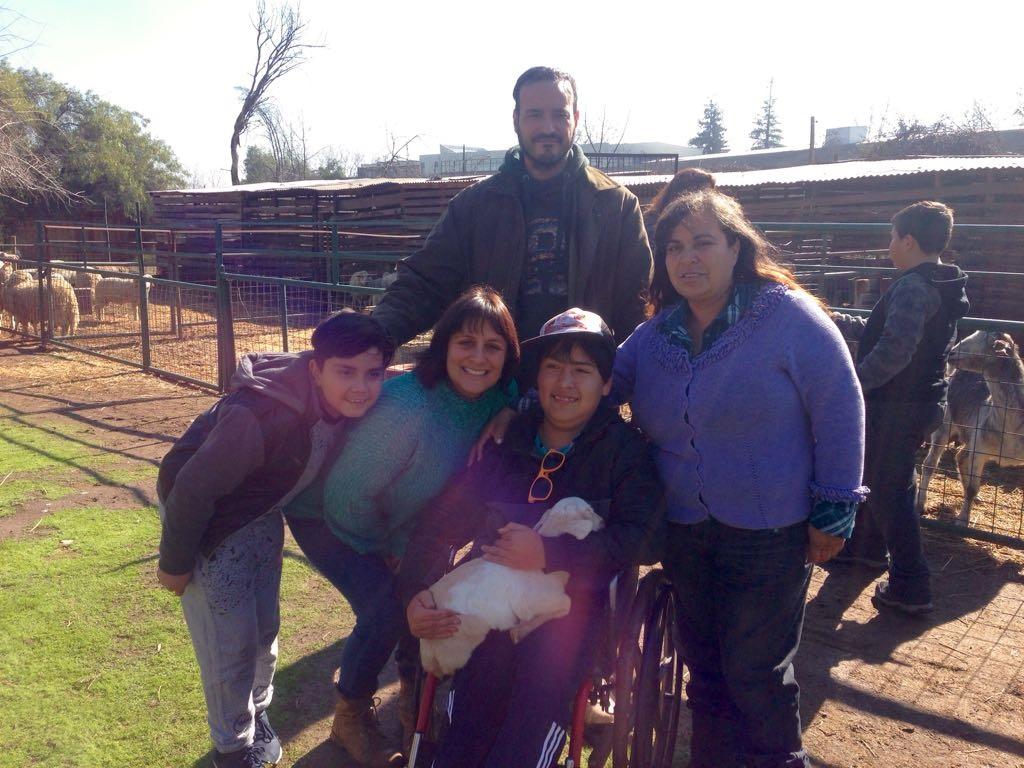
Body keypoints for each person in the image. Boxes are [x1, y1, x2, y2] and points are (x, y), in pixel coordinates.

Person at [613, 189, 866, 768]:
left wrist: (835, 507)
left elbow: (839, 405)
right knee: (705, 673)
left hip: (770, 534)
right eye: (674, 247)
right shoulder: (656, 336)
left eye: (703, 242)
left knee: (755, 673)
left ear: (736, 246)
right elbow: (595, 382)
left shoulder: (786, 316)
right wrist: (513, 401)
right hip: (686, 531)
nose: (687, 259)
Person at [397, 307, 664, 768]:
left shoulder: (627, 453)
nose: (565, 383)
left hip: (576, 615)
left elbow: (644, 540)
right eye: (553, 368)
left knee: (532, 711)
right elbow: (444, 521)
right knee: (477, 698)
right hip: (494, 605)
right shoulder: (505, 442)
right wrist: (415, 593)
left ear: (605, 384)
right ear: (536, 380)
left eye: (581, 371)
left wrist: (550, 552)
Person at [281, 286, 520, 767]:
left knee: (427, 597)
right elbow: (347, 496)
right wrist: (390, 551)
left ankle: (416, 695)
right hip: (332, 517)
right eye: (465, 344)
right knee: (389, 605)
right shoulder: (407, 409)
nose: (478, 358)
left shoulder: (492, 394)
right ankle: (350, 712)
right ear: (443, 345)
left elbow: (520, 385)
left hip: (406, 519)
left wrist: (510, 408)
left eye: (492, 346)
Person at [155, 311, 394, 768]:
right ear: (315, 369)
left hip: (260, 510)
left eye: (373, 373)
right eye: (345, 371)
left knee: (265, 627)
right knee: (231, 641)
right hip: (209, 519)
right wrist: (176, 562)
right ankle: (233, 747)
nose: (361, 386)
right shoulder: (264, 415)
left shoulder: (340, 401)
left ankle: (256, 713)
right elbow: (193, 488)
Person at [371, 66, 652, 347]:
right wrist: (373, 335)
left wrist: (620, 380)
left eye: (560, 114)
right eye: (534, 114)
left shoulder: (617, 206)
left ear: (575, 119)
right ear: (516, 119)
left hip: (577, 383)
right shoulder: (474, 207)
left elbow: (637, 310)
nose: (547, 128)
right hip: (495, 380)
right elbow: (425, 285)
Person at [831, 200, 969, 615]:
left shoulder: (912, 287)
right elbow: (888, 330)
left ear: (908, 241)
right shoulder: (941, 283)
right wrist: (833, 317)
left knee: (891, 491)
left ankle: (911, 584)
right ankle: (867, 549)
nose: (889, 246)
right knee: (880, 478)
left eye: (892, 238)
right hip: (919, 402)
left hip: (898, 405)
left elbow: (894, 351)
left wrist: (852, 384)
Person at [643, 166, 717, 235]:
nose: (707, 200)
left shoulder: (707, 223)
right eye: (704, 194)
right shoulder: (654, 226)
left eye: (710, 194)